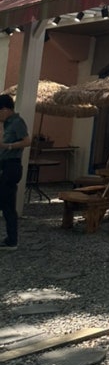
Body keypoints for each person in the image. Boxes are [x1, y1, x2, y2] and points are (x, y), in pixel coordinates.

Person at [0, 93, 32, 250]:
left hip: (12, 166)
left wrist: (8, 146)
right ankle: (10, 239)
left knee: (7, 204)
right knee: (5, 202)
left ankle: (12, 240)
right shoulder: (6, 124)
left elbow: (27, 141)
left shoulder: (17, 122)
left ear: (5, 109)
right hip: (4, 165)